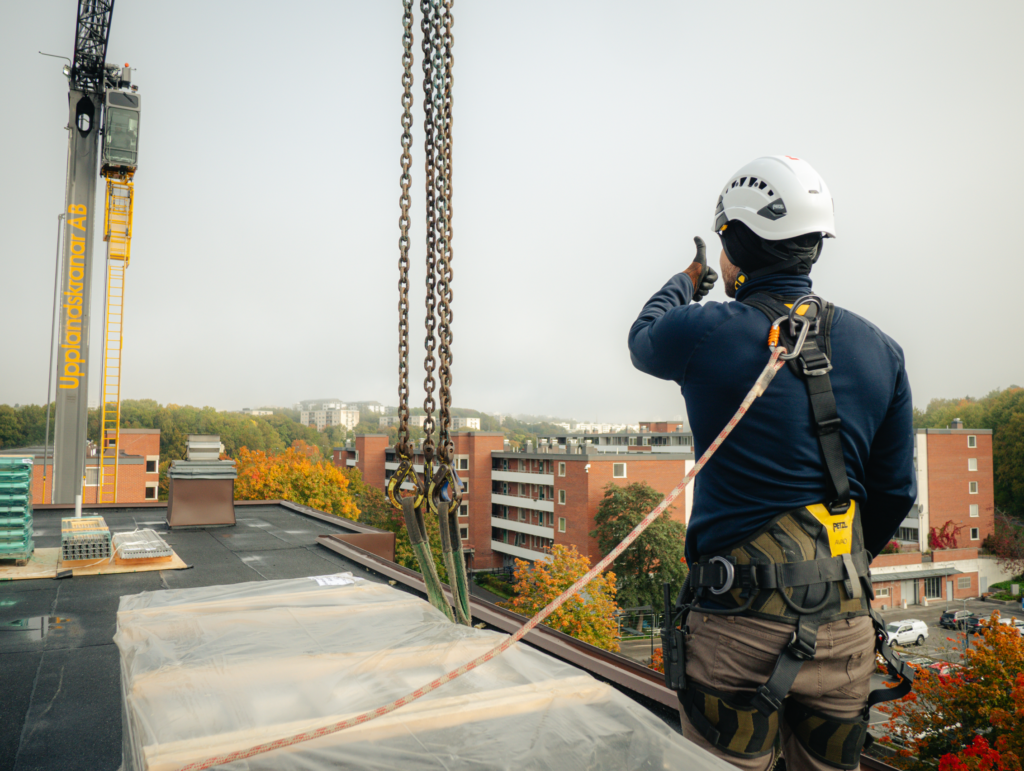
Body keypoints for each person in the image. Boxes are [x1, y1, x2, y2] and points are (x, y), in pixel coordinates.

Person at [628, 156, 917, 771]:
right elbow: (894, 493)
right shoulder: (882, 350)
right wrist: (834, 572)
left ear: (733, 240)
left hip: (737, 631)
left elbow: (643, 336)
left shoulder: (705, 332)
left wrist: (689, 280)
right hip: (846, 629)